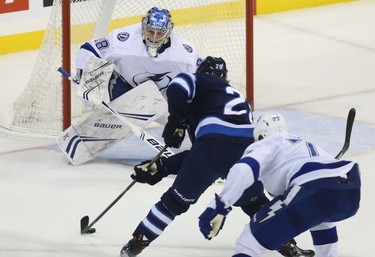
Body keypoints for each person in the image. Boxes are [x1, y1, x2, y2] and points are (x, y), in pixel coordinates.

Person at [120, 57, 314, 257]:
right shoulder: (237, 97)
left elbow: (177, 87)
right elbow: (222, 148)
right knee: (255, 204)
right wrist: (164, 166)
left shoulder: (199, 80)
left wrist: (176, 120)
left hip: (210, 150)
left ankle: (137, 243)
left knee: (173, 203)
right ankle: (288, 245)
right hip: (246, 152)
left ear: (201, 72)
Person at [198, 112, 361, 257]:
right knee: (323, 222)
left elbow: (242, 169)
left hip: (313, 187)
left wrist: (221, 205)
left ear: (260, 135)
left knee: (248, 242)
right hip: (349, 190)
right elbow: (321, 216)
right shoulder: (305, 145)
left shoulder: (268, 143)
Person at [75, 7, 199, 102]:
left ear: (169, 31)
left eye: (160, 33)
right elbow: (89, 49)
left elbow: (201, 71)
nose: (154, 37)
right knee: (99, 61)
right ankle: (94, 107)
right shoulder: (122, 39)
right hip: (124, 83)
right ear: (143, 26)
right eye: (151, 31)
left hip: (161, 96)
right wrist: (84, 76)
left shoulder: (185, 52)